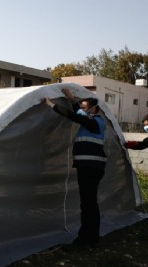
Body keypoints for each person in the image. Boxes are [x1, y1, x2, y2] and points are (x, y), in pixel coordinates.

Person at [42, 88, 107, 248]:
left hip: (91, 167)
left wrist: (51, 105)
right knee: (89, 203)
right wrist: (71, 98)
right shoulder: (89, 121)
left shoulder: (96, 122)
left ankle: (86, 239)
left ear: (94, 109)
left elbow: (74, 115)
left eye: (85, 107)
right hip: (88, 166)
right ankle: (92, 237)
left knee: (88, 204)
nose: (81, 109)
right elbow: (78, 112)